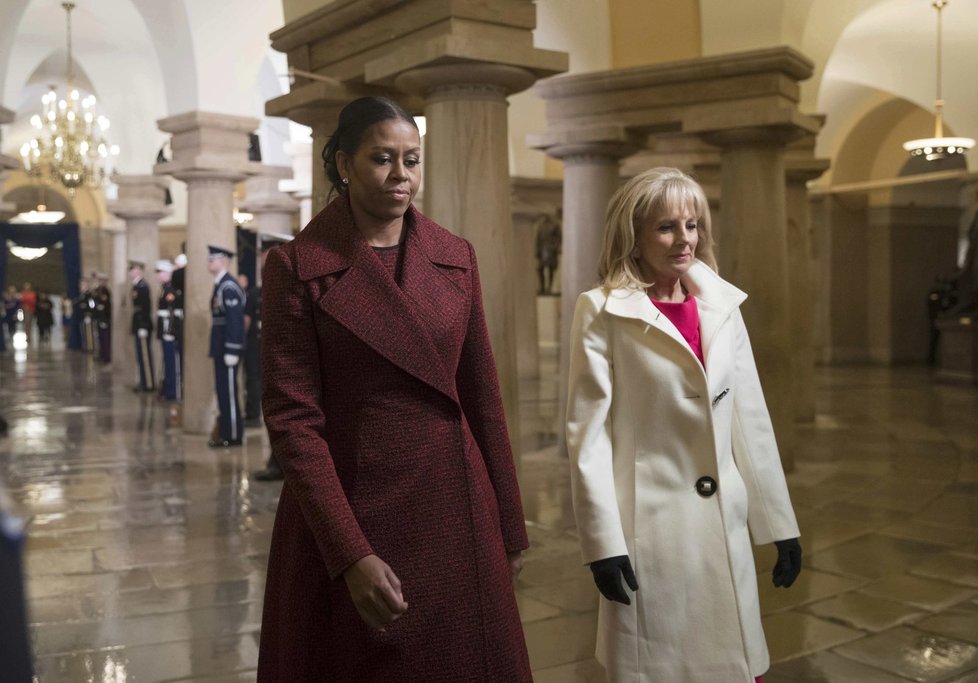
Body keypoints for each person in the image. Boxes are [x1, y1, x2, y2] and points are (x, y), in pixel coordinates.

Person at [257, 96, 530, 681]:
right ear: (343, 165)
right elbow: (292, 421)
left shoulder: (455, 258)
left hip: (456, 511)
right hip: (353, 513)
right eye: (383, 159)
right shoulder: (297, 267)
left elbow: (482, 396)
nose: (401, 175)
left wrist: (508, 528)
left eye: (412, 159)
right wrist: (349, 553)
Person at [564, 167, 802, 683]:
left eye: (692, 225)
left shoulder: (721, 307)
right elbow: (589, 440)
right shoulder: (602, 311)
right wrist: (602, 543)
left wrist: (779, 526)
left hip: (723, 525)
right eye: (666, 227)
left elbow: (750, 420)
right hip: (651, 535)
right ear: (634, 235)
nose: (684, 239)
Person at [207, 245, 245, 447]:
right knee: (223, 390)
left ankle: (233, 435)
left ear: (223, 261)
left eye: (212, 260)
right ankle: (226, 431)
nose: (209, 263)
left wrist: (232, 348)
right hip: (220, 346)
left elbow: (234, 320)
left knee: (229, 392)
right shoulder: (221, 284)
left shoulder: (228, 286)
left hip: (227, 347)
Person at [155, 260, 181, 401]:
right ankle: (167, 389)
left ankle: (172, 392)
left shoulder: (170, 290)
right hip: (164, 330)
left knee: (171, 362)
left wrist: (170, 331)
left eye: (160, 272)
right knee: (167, 362)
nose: (158, 275)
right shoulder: (164, 289)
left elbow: (172, 313)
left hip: (169, 331)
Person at [129, 261, 155, 392]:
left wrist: (143, 325)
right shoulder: (136, 286)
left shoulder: (143, 286)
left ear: (139, 270)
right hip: (138, 323)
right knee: (140, 355)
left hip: (142, 324)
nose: (131, 272)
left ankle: (149, 383)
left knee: (144, 354)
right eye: (130, 270)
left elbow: (146, 307)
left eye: (133, 269)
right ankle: (144, 381)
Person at [534, 209, 562, 295]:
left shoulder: (555, 225)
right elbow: (538, 239)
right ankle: (542, 287)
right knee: (540, 269)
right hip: (543, 250)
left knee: (551, 270)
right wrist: (537, 250)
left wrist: (555, 246)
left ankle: (549, 288)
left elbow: (559, 237)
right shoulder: (541, 226)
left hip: (551, 250)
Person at [93, 273, 112, 363]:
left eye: (102, 281)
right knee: (100, 338)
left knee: (105, 339)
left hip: (105, 318)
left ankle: (106, 356)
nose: (100, 282)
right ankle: (101, 354)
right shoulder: (97, 290)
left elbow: (106, 305)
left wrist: (104, 319)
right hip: (98, 317)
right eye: (99, 280)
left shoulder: (106, 291)